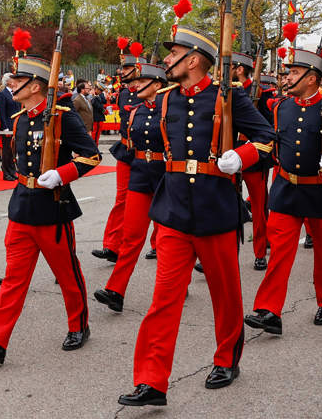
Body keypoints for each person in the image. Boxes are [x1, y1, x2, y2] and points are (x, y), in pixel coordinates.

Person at [119, 27, 275, 407]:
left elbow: (268, 138)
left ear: (192, 60)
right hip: (173, 210)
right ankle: (152, 381)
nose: (166, 61)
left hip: (215, 209)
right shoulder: (165, 99)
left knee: (225, 296)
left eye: (173, 55)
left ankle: (226, 359)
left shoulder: (229, 97)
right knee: (163, 300)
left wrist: (243, 155)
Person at [0, 54, 101, 365]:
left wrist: (62, 174)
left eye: (18, 80)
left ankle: (79, 325)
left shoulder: (63, 117)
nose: (11, 84)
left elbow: (92, 155)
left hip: (53, 207)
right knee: (14, 278)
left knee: (67, 273)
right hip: (22, 206)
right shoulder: (19, 119)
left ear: (36, 86)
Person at [244, 48, 322, 335]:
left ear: (313, 79)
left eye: (295, 73)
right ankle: (269, 310)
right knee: (279, 254)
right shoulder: (281, 107)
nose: (289, 77)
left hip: (321, 190)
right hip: (287, 189)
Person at [94, 63, 169, 313]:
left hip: (166, 178)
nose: (135, 85)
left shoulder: (171, 109)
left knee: (169, 236)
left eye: (141, 81)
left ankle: (178, 283)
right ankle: (116, 290)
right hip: (140, 175)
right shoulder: (136, 110)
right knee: (131, 235)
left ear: (157, 85)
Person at [93, 50, 142, 263]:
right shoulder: (122, 93)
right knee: (121, 200)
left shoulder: (153, 92)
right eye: (122, 68)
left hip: (146, 154)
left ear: (138, 69)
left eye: (126, 68)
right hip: (125, 152)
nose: (121, 72)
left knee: (157, 200)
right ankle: (113, 246)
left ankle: (157, 246)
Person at [232, 51, 274, 271]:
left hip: (254, 155)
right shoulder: (226, 91)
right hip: (229, 155)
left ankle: (259, 252)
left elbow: (268, 131)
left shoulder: (263, 94)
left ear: (239, 69)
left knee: (258, 206)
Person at [0, 73, 20, 181]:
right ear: (8, 82)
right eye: (13, 80)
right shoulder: (3, 94)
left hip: (16, 125)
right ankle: (6, 172)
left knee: (14, 150)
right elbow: (1, 112)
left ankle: (12, 170)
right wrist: (4, 127)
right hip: (8, 127)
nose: (16, 82)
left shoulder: (16, 93)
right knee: (6, 151)